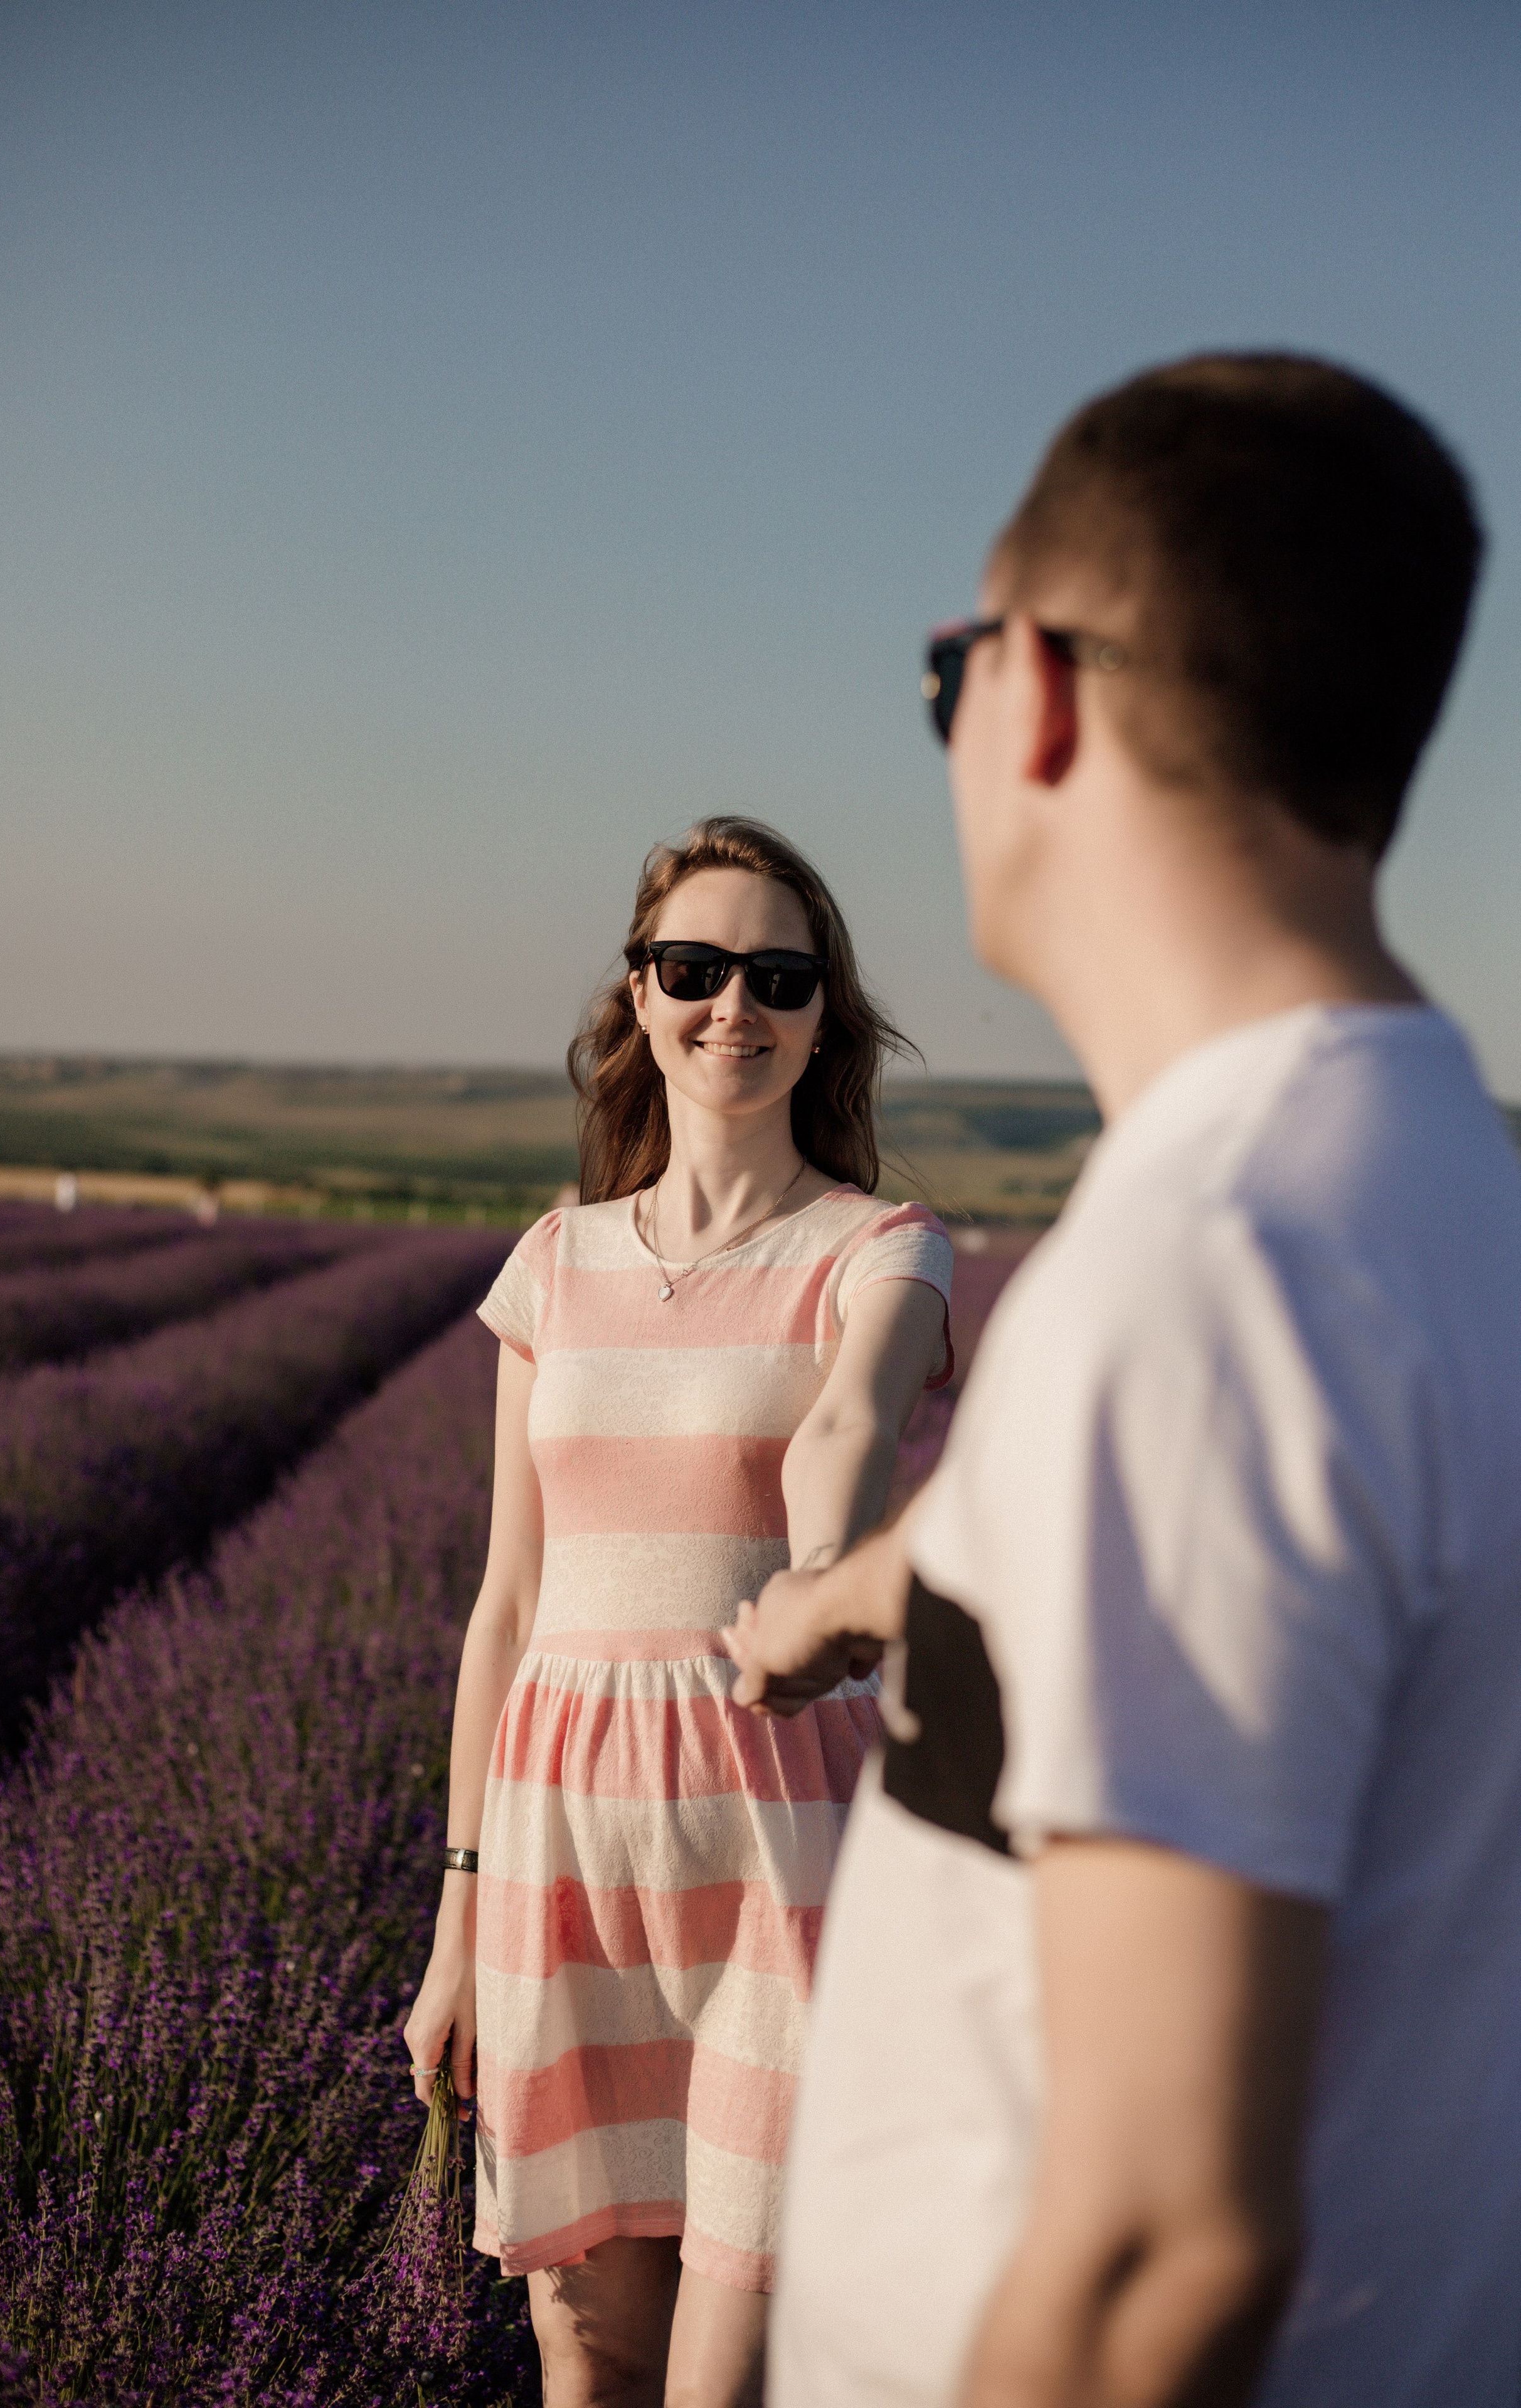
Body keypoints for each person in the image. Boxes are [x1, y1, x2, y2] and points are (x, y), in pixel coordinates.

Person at [726, 356, 1521, 2406]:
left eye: (947, 671)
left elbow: (1167, 2254)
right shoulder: (1441, 1200)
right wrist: (856, 1593)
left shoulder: (1207, 1283)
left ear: (1043, 690)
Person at [403, 816, 953, 2408]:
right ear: (636, 999)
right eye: (693, 969)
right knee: (590, 2367)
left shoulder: (875, 1249)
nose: (734, 1007)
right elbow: (506, 1606)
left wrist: (812, 1578)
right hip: (558, 1862)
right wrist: (455, 1922)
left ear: (821, 1017)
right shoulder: (552, 1266)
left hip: (780, 1852)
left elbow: (850, 1418)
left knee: (727, 2375)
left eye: (778, 977)